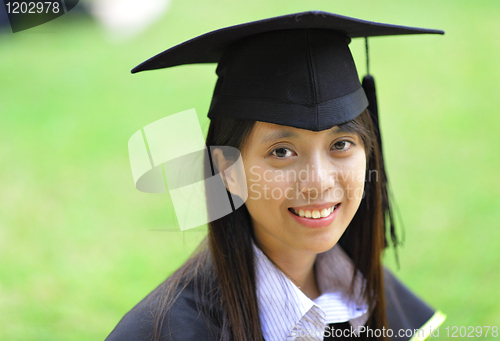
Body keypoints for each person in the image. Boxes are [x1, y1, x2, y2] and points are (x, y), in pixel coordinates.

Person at [105, 11, 446, 341]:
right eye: (282, 152)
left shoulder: (370, 297)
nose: (319, 182)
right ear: (227, 170)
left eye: (341, 143)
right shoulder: (165, 332)